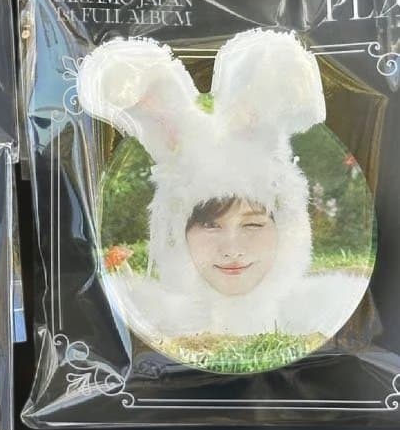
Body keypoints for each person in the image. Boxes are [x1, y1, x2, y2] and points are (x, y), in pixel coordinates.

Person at [78, 29, 373, 351]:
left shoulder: (324, 311)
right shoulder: (147, 317)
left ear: (288, 228)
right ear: (175, 231)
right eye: (209, 224)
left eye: (253, 224)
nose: (232, 249)